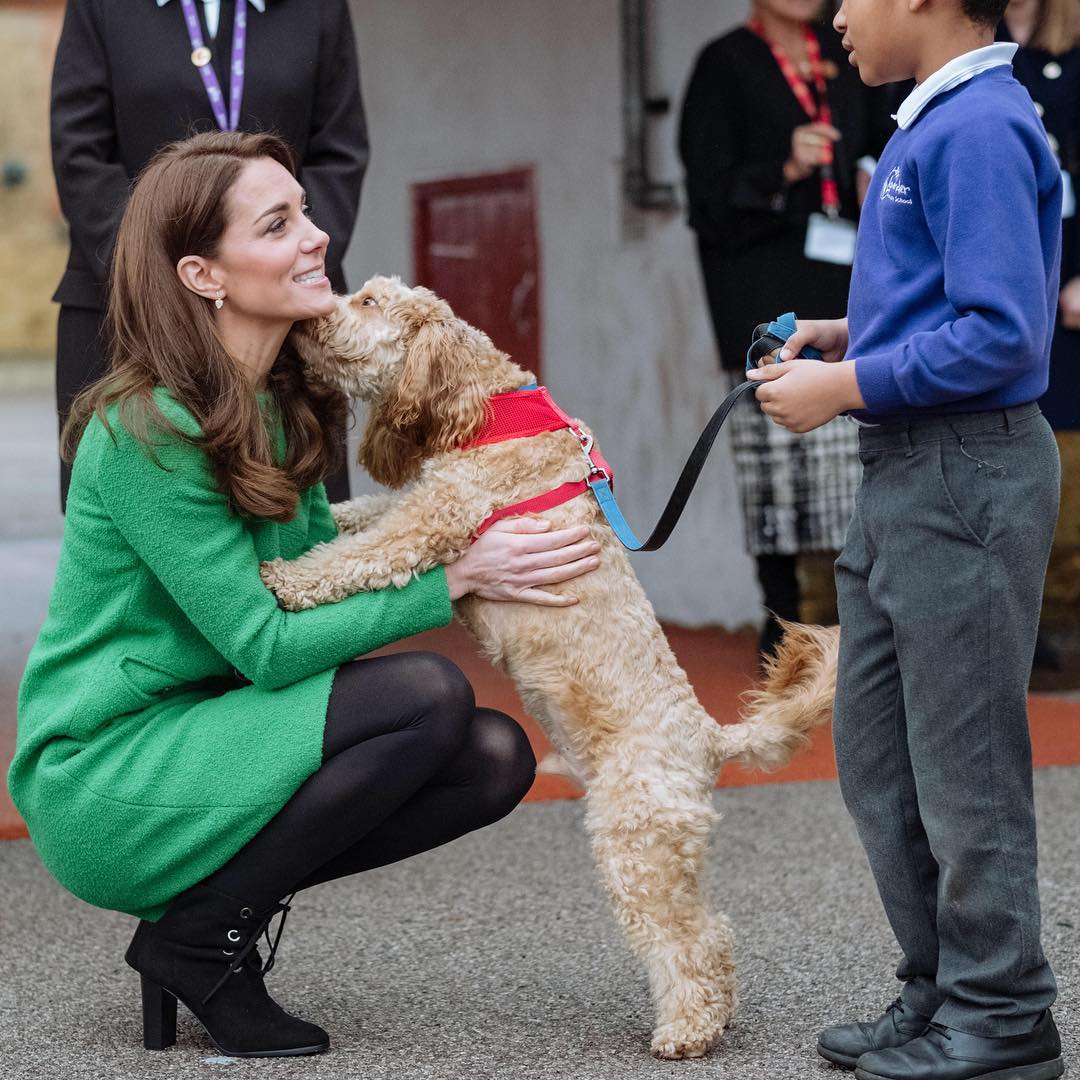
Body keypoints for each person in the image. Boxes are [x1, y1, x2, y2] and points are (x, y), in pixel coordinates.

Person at [7, 130, 602, 1059]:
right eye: (280, 222)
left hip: (213, 734)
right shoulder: (147, 432)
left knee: (492, 758)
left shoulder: (280, 404)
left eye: (307, 212)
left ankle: (201, 927)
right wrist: (455, 577)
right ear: (204, 273)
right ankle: (205, 942)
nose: (315, 235)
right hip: (110, 771)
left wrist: (492, 493)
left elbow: (322, 575)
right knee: (427, 695)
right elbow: (269, 643)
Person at [747, 0, 1065, 1074]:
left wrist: (846, 383)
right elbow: (952, 302)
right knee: (884, 758)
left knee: (962, 764)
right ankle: (943, 995)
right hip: (911, 471)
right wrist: (848, 335)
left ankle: (1003, 1014)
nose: (837, 15)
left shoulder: (978, 126)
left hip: (962, 469)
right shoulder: (935, 120)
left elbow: (1003, 331)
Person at [51, 0, 368, 510]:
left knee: (302, 529)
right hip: (118, 301)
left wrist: (289, 258)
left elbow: (340, 149)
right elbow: (80, 153)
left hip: (278, 307)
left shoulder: (320, 9)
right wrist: (154, 272)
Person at [678, 0, 890, 661]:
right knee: (775, 470)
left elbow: (879, 136)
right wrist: (784, 170)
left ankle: (856, 620)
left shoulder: (844, 51)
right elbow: (707, 197)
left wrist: (864, 170)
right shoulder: (724, 63)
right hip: (760, 282)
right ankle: (783, 626)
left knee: (851, 461)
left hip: (841, 277)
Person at [999, 0, 1080, 671]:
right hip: (1015, 303)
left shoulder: (1075, 46)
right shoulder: (970, 46)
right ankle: (1026, 637)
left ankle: (1061, 632)